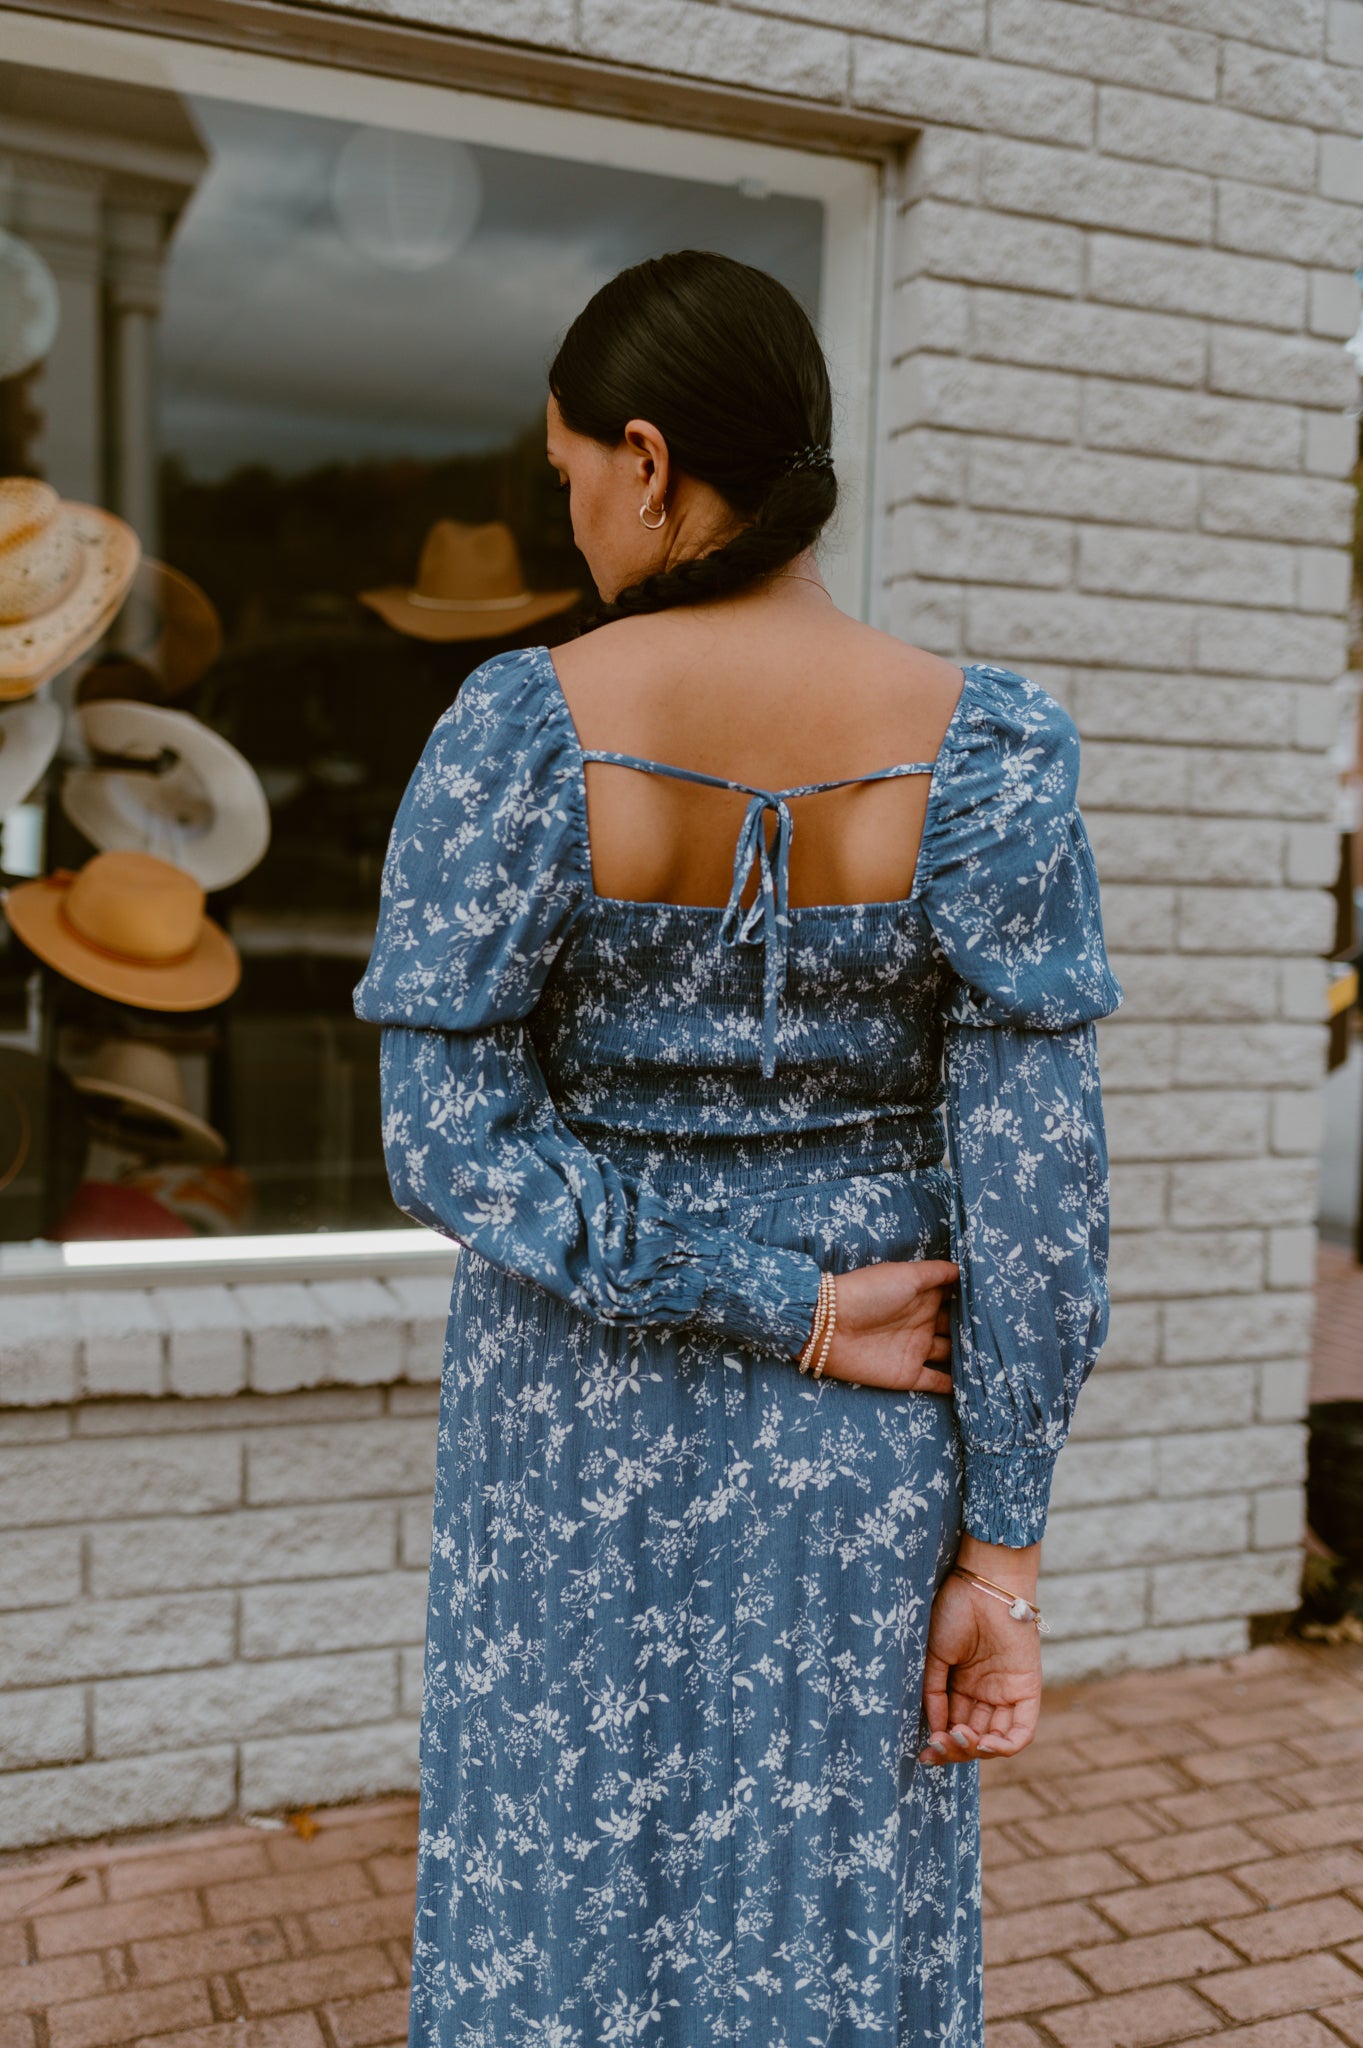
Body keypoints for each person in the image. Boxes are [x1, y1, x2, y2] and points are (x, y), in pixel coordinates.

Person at [355, 249, 1122, 2047]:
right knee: (824, 1920)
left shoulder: (520, 735)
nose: (573, 531)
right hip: (865, 1449)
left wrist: (765, 1296)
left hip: (573, 1433)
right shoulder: (993, 749)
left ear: (644, 458)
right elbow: (1045, 1212)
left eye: (564, 483)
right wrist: (998, 1561)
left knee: (563, 1899)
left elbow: (444, 1141)